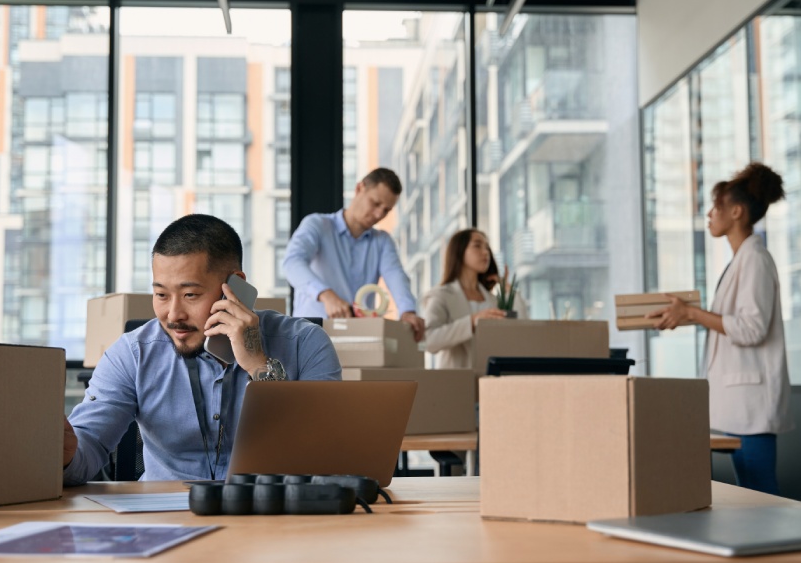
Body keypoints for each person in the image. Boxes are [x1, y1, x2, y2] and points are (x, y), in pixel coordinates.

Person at [62, 213, 342, 486]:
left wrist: (258, 365)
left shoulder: (305, 343)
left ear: (234, 286)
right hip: (163, 512)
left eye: (190, 295)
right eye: (161, 294)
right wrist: (66, 454)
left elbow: (324, 456)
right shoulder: (133, 354)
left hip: (266, 511)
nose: (174, 314)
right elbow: (89, 446)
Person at [650, 162, 793, 563]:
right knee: (752, 501)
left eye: (715, 207)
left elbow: (751, 328)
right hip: (736, 404)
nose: (709, 215)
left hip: (751, 405)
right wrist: (686, 313)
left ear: (737, 212)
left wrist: (693, 314)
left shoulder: (755, 259)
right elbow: (732, 324)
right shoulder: (740, 261)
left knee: (761, 503)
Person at [283, 167, 425, 341]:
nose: (379, 214)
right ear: (359, 188)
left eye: (386, 210)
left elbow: (396, 276)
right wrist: (327, 296)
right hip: (310, 336)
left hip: (357, 338)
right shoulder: (317, 225)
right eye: (376, 203)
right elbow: (292, 263)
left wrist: (407, 311)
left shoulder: (382, 241)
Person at [421, 228, 528, 369]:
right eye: (477, 246)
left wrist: (507, 289)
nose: (485, 252)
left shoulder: (493, 300)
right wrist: (471, 322)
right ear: (459, 251)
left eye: (487, 247)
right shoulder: (441, 295)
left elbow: (522, 329)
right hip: (457, 379)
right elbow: (429, 341)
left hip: (491, 377)